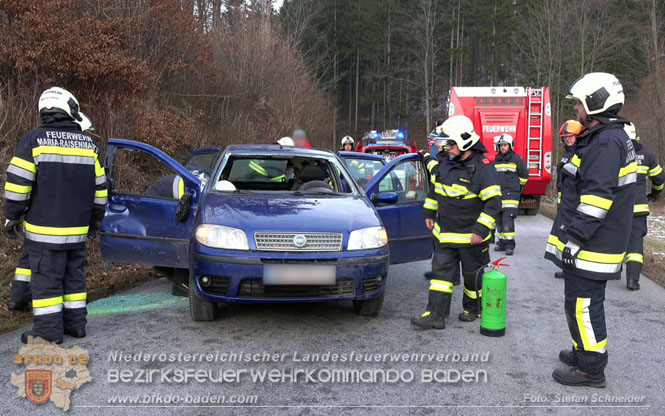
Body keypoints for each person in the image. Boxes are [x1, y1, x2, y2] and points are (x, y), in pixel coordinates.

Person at [545, 72, 636, 387]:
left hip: (593, 243)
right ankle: (583, 352)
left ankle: (591, 368)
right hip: (596, 240)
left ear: (596, 104)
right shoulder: (606, 137)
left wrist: (575, 239)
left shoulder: (606, 142)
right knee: (577, 301)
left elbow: (597, 200)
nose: (576, 110)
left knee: (583, 304)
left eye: (580, 104)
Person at [3, 87, 107, 344]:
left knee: (47, 281)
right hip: (77, 232)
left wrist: (12, 217)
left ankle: (48, 332)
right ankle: (76, 325)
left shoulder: (33, 140)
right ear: (70, 109)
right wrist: (94, 222)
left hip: (45, 232)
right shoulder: (89, 145)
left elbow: (18, 185)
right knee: (74, 277)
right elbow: (101, 190)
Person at [412, 115, 501, 329]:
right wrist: (429, 213)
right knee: (440, 276)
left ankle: (472, 308)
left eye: (450, 144)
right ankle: (435, 314)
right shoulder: (445, 163)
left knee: (473, 279)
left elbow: (494, 203)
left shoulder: (483, 168)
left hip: (472, 238)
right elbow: (436, 191)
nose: (446, 148)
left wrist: (480, 230)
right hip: (445, 234)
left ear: (464, 142)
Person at [8, 113, 96, 312]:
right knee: (62, 272)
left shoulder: (38, 141)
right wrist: (94, 220)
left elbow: (22, 183)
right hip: (67, 226)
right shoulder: (83, 150)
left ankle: (19, 298)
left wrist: (14, 214)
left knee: (29, 261)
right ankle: (69, 316)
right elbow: (95, 191)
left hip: (38, 221)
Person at [623, 122, 665, 290]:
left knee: (615, 238)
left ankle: (612, 271)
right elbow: (660, 179)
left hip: (618, 208)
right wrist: (655, 193)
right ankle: (632, 280)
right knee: (634, 244)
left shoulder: (615, 155)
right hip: (638, 209)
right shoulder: (647, 156)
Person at [553, 120, 583, 279]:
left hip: (576, 201)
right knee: (564, 234)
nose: (567, 139)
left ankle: (574, 268)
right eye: (565, 137)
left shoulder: (582, 153)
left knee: (574, 234)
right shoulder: (567, 154)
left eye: (570, 136)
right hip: (566, 200)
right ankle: (567, 267)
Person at [492, 134, 528, 255]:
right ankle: (502, 242)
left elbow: (524, 175)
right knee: (499, 220)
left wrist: (519, 187)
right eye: (501, 145)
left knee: (508, 220)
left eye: (505, 145)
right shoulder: (496, 160)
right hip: (498, 195)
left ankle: (510, 245)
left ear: (510, 146)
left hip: (511, 195)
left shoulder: (517, 159)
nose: (503, 147)